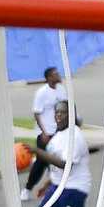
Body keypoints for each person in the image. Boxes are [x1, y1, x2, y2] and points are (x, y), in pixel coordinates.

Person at [28, 100, 102, 207]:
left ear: (72, 116)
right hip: (57, 187)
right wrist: (46, 183)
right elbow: (56, 164)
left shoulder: (74, 137)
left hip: (73, 190)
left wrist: (37, 152)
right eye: (57, 112)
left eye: (62, 113)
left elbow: (64, 164)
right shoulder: (59, 135)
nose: (58, 116)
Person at [23, 66, 67, 197]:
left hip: (59, 133)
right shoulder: (42, 93)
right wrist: (43, 132)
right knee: (41, 163)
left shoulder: (61, 90)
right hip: (46, 134)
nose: (58, 75)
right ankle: (27, 189)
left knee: (58, 162)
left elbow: (67, 109)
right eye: (55, 74)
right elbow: (37, 113)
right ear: (49, 78)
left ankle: (56, 189)